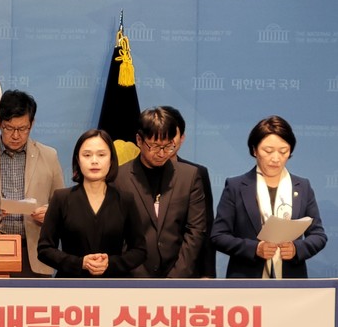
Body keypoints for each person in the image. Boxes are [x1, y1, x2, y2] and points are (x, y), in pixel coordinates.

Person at [211, 115, 327, 278]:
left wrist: (296, 249)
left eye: (283, 151)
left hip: (292, 280)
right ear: (254, 150)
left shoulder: (302, 187)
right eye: (268, 151)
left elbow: (318, 235)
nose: (276, 158)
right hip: (246, 280)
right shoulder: (236, 186)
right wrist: (255, 248)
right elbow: (218, 236)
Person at [0, 90, 64, 277]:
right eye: (9, 128)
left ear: (32, 124)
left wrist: (50, 214)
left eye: (23, 129)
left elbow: (63, 207)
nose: (16, 135)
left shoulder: (49, 156)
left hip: (34, 253)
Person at [38, 129, 146, 277]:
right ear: (78, 160)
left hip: (113, 285)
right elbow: (44, 249)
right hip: (70, 285)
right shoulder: (61, 198)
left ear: (111, 160)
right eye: (87, 155)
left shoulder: (125, 200)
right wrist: (79, 263)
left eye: (101, 155)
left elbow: (139, 250)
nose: (94, 161)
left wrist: (110, 263)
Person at [113, 107, 207, 278]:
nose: (162, 153)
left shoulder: (189, 176)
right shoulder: (119, 178)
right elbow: (117, 234)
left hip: (179, 278)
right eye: (155, 146)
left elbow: (195, 230)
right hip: (133, 279)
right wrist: (140, 277)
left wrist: (176, 278)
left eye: (168, 146)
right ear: (139, 140)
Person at [161, 106, 216, 278]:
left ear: (182, 138)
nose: (166, 141)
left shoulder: (197, 173)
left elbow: (206, 225)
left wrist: (208, 273)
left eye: (172, 135)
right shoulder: (131, 174)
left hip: (189, 269)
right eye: (162, 134)